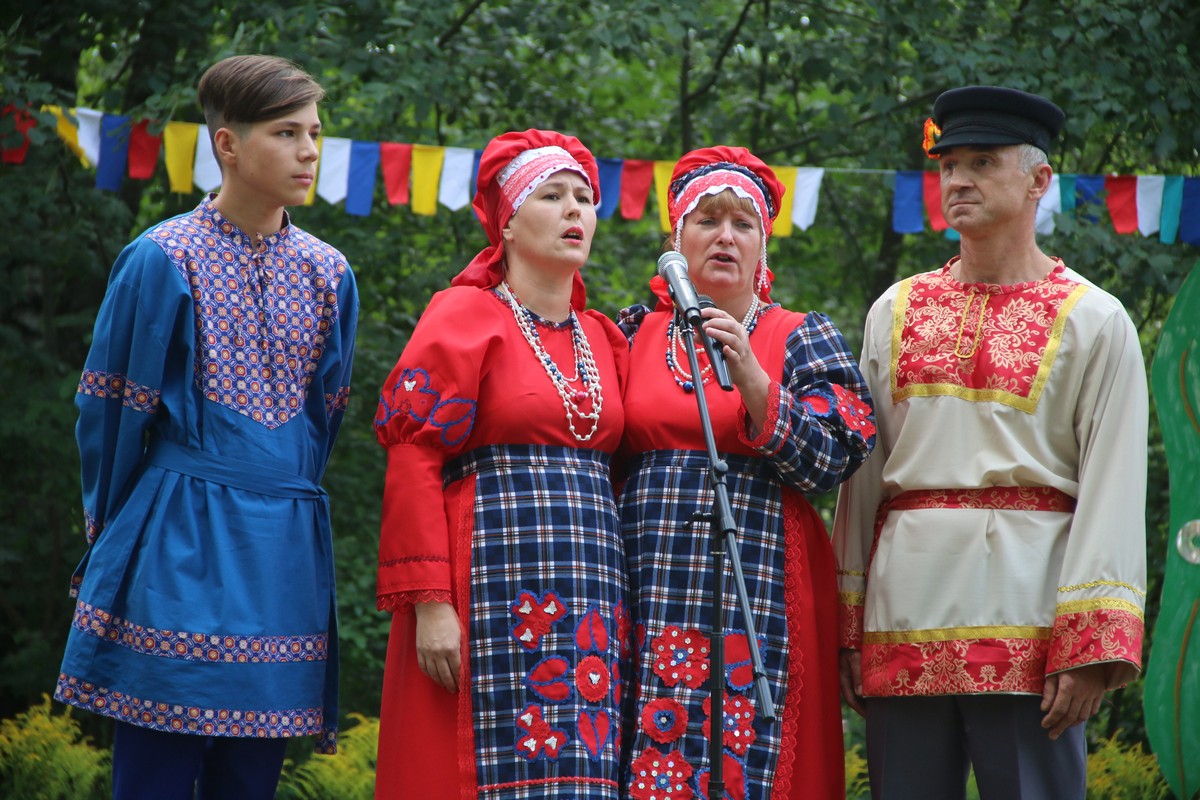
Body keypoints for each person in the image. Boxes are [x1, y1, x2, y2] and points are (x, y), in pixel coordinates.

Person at [53, 54, 358, 799]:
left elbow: (324, 421)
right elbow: (110, 413)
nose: (309, 151)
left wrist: (278, 491)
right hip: (175, 544)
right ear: (227, 143)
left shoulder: (330, 274)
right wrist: (110, 541)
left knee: (250, 781)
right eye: (287, 133)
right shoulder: (161, 258)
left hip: (282, 549)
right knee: (153, 774)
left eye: (314, 133)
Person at [832, 85, 1148, 800]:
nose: (959, 181)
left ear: (1039, 179)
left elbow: (1113, 484)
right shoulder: (895, 309)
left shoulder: (1096, 320)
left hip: (1030, 622)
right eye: (948, 166)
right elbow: (864, 475)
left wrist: (1093, 642)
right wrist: (847, 627)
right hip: (901, 613)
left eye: (981, 161)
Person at [373, 129, 630, 799]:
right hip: (486, 586)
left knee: (580, 776)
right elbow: (412, 453)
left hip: (590, 600)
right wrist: (431, 602)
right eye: (553, 196)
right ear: (509, 223)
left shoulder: (604, 338)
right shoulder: (465, 316)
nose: (576, 210)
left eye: (585, 197)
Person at [617, 146, 877, 800]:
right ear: (676, 239)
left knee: (752, 761)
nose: (725, 235)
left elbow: (837, 459)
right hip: (643, 583)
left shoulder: (799, 336)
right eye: (707, 220)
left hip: (762, 586)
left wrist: (758, 384)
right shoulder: (628, 335)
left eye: (743, 223)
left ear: (764, 248)